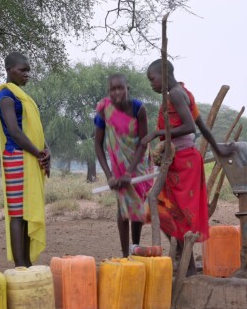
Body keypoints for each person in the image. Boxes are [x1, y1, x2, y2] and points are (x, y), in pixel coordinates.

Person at [141, 59, 234, 275]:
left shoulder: (175, 93)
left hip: (184, 162)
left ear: (163, 74)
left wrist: (158, 134)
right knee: (165, 212)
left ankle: (187, 265)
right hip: (176, 162)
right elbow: (202, 126)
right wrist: (217, 148)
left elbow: (191, 126)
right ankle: (186, 263)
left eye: (152, 79)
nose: (151, 84)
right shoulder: (183, 92)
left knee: (175, 214)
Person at [0, 52, 50, 267]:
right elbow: (16, 132)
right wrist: (38, 153)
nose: (27, 75)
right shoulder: (6, 96)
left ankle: (26, 263)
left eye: (28, 71)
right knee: (18, 215)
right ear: (8, 70)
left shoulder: (21, 96)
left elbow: (34, 130)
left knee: (27, 213)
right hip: (17, 158)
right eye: (22, 70)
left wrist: (46, 150)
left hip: (28, 156)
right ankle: (20, 266)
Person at [94, 73, 155, 257]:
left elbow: (143, 142)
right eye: (113, 89)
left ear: (128, 89)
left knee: (137, 206)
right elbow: (98, 144)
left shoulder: (138, 108)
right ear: (108, 92)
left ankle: (134, 248)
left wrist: (130, 171)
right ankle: (125, 256)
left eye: (121, 88)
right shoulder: (104, 111)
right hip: (118, 166)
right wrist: (109, 175)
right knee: (122, 209)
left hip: (139, 163)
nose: (117, 92)